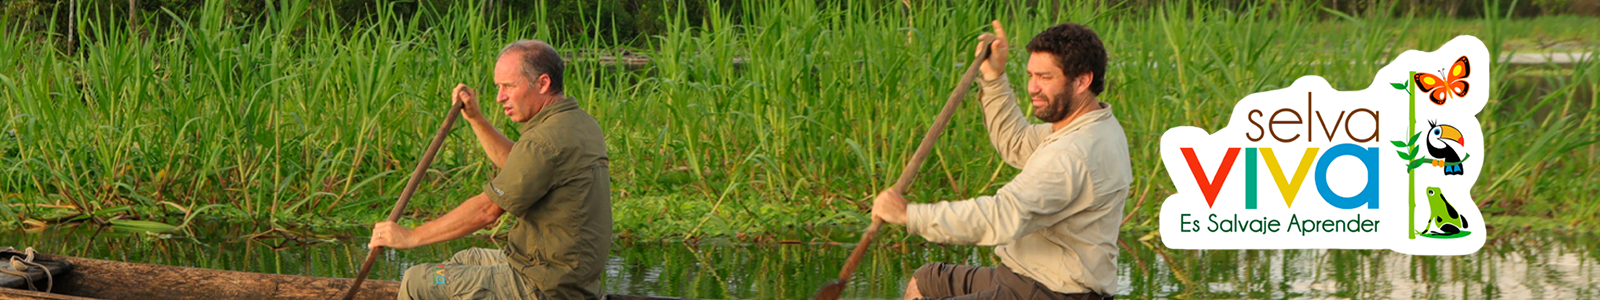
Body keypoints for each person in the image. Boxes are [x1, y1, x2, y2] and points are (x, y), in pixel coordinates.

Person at [871, 21, 1131, 300]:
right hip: (1022, 275)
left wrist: (910, 215)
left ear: (1082, 80)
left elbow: (1001, 217)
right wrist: (994, 78)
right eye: (1031, 75)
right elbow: (1016, 142)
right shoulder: (1089, 126)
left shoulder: (1074, 153)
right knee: (925, 280)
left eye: (1045, 77)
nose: (1032, 87)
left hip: (1052, 292)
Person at [367, 39, 613, 300]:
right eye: (498, 87)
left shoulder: (544, 141)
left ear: (542, 83)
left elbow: (488, 210)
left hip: (543, 285)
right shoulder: (576, 122)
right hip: (560, 273)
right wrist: (475, 118)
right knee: (466, 258)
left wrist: (410, 237)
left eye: (508, 86)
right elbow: (519, 164)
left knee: (418, 280)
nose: (499, 97)